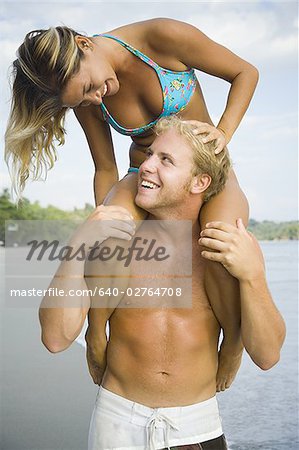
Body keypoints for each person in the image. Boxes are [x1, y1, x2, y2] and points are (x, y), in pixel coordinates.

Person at [5, 18, 259, 390]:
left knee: (220, 243)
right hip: (143, 175)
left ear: (84, 44)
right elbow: (105, 167)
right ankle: (95, 333)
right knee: (110, 240)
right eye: (84, 98)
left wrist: (223, 131)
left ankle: (233, 345)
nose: (95, 98)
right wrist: (106, 222)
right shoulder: (86, 98)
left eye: (90, 87)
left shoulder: (163, 37)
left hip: (209, 170)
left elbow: (245, 72)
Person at [39, 117, 285, 450]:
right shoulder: (117, 242)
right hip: (117, 422)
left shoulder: (226, 251)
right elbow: (55, 338)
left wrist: (254, 276)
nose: (145, 166)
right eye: (149, 155)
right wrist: (75, 249)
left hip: (197, 427)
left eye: (165, 160)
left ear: (199, 182)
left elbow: (268, 356)